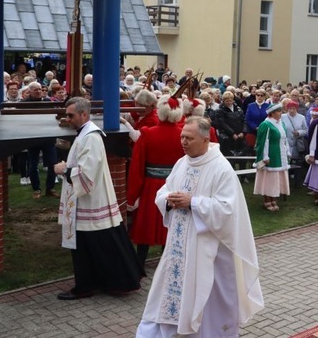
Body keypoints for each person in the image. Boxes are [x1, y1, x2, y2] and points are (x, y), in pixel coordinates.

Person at [137, 117, 264, 337]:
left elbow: (227, 210)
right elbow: (164, 190)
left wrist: (193, 202)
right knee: (169, 296)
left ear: (205, 140)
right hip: (179, 247)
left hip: (211, 251)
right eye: (182, 137)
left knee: (210, 302)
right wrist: (168, 199)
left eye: (189, 138)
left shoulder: (221, 168)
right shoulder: (182, 163)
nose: (183, 142)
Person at [53, 97, 143, 300]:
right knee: (94, 246)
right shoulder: (85, 134)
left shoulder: (91, 137)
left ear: (84, 114)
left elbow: (87, 174)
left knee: (91, 246)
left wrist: (63, 169)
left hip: (90, 202)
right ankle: (96, 282)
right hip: (88, 201)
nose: (67, 119)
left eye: (70, 115)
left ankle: (86, 286)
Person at [127, 95, 185, 267]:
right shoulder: (184, 135)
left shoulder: (147, 133)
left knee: (146, 223)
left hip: (151, 186)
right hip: (175, 185)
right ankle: (169, 262)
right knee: (170, 223)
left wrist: (132, 195)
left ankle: (140, 263)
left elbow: (137, 167)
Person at [21, 81, 59, 199]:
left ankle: (50, 188)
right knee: (33, 165)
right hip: (32, 138)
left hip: (48, 137)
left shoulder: (48, 102)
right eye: (35, 90)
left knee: (53, 163)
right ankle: (36, 189)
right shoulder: (24, 103)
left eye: (40, 89)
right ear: (29, 91)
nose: (38, 91)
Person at [253, 103, 291, 212]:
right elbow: (263, 141)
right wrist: (265, 156)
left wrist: (287, 151)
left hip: (280, 153)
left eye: (281, 111)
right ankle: (266, 200)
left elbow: (284, 139)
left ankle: (273, 198)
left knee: (276, 178)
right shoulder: (266, 124)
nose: (281, 113)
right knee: (269, 178)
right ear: (272, 113)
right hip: (271, 153)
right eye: (278, 111)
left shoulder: (281, 124)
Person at [215, 91, 246, 156]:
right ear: (223, 101)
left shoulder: (238, 109)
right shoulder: (220, 110)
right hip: (228, 136)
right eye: (227, 101)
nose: (229, 102)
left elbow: (244, 120)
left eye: (230, 100)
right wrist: (232, 133)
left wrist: (243, 132)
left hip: (239, 135)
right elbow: (222, 123)